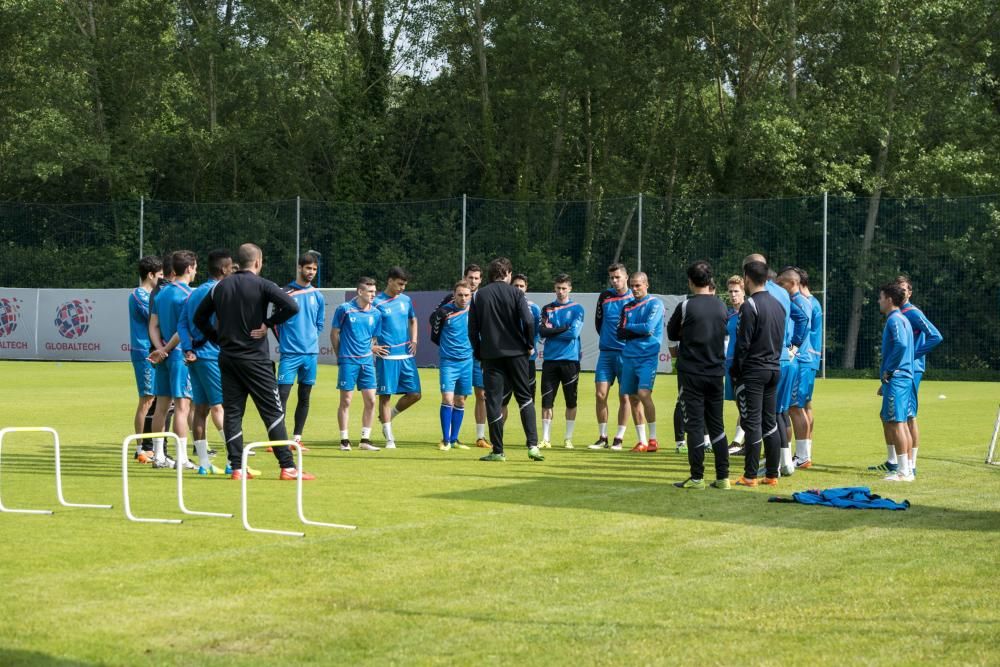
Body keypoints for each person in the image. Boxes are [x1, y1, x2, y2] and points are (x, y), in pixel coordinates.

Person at [193, 243, 313, 481]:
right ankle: (287, 467)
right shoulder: (263, 284)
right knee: (273, 411)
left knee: (233, 413)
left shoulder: (219, 287)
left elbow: (199, 318)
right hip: (256, 361)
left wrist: (218, 338)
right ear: (258, 262)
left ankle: (237, 467)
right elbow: (292, 306)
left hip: (227, 359)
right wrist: (268, 323)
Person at [468, 257, 541, 462]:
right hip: (517, 354)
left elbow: (472, 329)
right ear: (508, 274)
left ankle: (498, 451)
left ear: (490, 275)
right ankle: (533, 446)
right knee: (524, 397)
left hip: (491, 355)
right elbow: (528, 321)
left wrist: (478, 351)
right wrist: (528, 344)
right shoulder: (517, 293)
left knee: (494, 401)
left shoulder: (479, 296)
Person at [869, 275, 943, 476]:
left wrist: (902, 362)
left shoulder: (907, 315)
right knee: (891, 418)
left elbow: (933, 337)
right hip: (899, 373)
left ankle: (908, 467)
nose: (879, 300)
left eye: (903, 289)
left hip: (905, 372)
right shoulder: (899, 316)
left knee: (904, 418)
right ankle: (897, 463)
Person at [668, 260, 730, 489]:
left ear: (690, 282)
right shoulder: (722, 306)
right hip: (716, 374)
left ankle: (697, 478)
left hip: (691, 374)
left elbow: (672, 333)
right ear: (710, 281)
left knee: (694, 426)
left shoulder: (686, 306)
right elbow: (725, 339)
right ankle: (723, 478)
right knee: (717, 426)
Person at [177, 249, 233, 475]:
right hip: (212, 355)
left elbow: (181, 324)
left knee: (200, 409)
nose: (233, 272)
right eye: (231, 269)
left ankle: (203, 463)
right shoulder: (218, 292)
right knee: (221, 407)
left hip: (195, 357)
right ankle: (234, 460)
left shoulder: (193, 292)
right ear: (223, 270)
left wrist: (188, 348)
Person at [731, 260, 785, 487]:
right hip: (774, 368)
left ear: (747, 279)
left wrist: (736, 370)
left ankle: (750, 475)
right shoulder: (779, 304)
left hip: (754, 370)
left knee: (752, 423)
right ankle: (772, 474)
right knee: (769, 422)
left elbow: (743, 343)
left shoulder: (750, 305)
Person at [148, 251, 198, 470]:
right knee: (182, 406)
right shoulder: (188, 294)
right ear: (188, 268)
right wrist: (167, 349)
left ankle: (158, 455)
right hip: (178, 355)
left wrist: (159, 349)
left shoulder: (161, 294)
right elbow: (183, 328)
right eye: (195, 267)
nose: (196, 272)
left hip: (164, 355)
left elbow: (153, 325)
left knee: (161, 406)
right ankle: (182, 457)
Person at [747, 253, 795, 476]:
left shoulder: (756, 300)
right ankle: (783, 463)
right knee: (778, 414)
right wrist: (793, 345)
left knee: (758, 419)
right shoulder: (783, 295)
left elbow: (746, 340)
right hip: (780, 359)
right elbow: (797, 319)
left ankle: (758, 470)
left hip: (760, 363)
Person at [274, 252, 325, 449]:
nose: (311, 272)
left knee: (305, 397)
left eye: (314, 269)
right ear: (299, 268)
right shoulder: (285, 293)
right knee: (282, 395)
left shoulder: (318, 296)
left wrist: (310, 338)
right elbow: (275, 323)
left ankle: (296, 438)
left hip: (310, 355)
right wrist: (288, 341)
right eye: (308, 268)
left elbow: (319, 324)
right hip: (290, 354)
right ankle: (278, 439)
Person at [331, 277, 386, 451]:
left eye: (374, 291)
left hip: (367, 363)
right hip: (348, 361)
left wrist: (371, 348)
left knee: (371, 401)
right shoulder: (344, 309)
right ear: (360, 292)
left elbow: (372, 337)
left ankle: (365, 440)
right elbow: (334, 334)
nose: (373, 295)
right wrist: (340, 356)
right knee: (346, 401)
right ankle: (344, 440)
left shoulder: (376, 313)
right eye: (369, 291)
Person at [439, 264, 489, 447]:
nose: (473, 281)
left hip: (472, 358)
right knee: (448, 398)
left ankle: (468, 437)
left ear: (481, 280)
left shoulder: (482, 302)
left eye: (477, 278)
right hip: (451, 359)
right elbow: (435, 328)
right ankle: (446, 439)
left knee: (471, 397)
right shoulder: (447, 306)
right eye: (471, 277)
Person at [374, 267, 422, 449]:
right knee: (385, 397)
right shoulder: (377, 302)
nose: (402, 288)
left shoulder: (406, 300)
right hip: (386, 357)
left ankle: (389, 416)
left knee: (415, 394)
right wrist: (372, 346)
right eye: (400, 284)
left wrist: (414, 340)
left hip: (405, 355)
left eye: (404, 285)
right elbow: (368, 324)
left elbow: (413, 319)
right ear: (390, 281)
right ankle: (389, 439)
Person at [589, 263, 635, 451]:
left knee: (624, 397)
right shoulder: (605, 296)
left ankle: (619, 438)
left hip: (626, 354)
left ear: (626, 277)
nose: (615, 281)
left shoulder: (634, 297)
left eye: (618, 277)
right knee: (600, 394)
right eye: (612, 278)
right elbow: (598, 322)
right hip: (606, 353)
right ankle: (602, 437)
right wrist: (608, 340)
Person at [616, 272, 664, 453]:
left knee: (644, 394)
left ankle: (653, 439)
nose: (635, 289)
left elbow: (649, 328)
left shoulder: (655, 303)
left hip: (647, 356)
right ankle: (642, 441)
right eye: (633, 285)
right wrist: (637, 330)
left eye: (638, 285)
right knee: (633, 398)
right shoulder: (627, 307)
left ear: (646, 284)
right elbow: (619, 332)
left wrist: (630, 328)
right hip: (628, 356)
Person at [538, 273, 585, 449]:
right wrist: (563, 328)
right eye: (558, 288)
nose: (560, 291)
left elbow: (573, 333)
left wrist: (554, 330)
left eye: (564, 288)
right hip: (550, 360)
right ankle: (545, 438)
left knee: (571, 401)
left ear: (570, 289)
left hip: (570, 361)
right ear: (554, 288)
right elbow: (542, 331)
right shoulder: (547, 309)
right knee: (546, 401)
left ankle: (568, 438)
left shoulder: (577, 309)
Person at [876, 282, 916, 482]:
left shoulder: (895, 320)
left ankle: (903, 472)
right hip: (900, 378)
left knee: (897, 423)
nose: (879, 301)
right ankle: (906, 468)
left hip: (898, 377)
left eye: (881, 297)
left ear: (889, 299)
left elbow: (900, 345)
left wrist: (889, 371)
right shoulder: (901, 318)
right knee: (898, 422)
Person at [776, 267, 814, 470]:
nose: (779, 288)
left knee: (795, 407)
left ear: (792, 284)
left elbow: (804, 324)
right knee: (798, 407)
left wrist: (793, 347)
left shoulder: (798, 302)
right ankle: (797, 453)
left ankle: (802, 456)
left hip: (799, 360)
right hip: (801, 360)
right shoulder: (799, 301)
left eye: (781, 284)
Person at [430, 281, 474, 450]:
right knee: (447, 398)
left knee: (461, 400)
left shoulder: (475, 311)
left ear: (470, 295)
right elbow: (435, 336)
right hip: (448, 362)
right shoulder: (444, 312)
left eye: (466, 295)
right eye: (460, 295)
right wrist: (448, 349)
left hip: (467, 362)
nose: (463, 298)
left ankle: (454, 439)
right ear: (454, 295)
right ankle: (446, 440)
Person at [127, 256, 163, 463]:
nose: (161, 279)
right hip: (143, 351)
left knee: (155, 398)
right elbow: (152, 317)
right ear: (150, 275)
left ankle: (148, 446)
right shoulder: (139, 294)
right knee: (146, 399)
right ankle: (140, 448)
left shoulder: (151, 295)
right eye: (159, 275)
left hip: (153, 350)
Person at [791, 268, 822, 467]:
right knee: (806, 405)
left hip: (803, 358)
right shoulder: (814, 302)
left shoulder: (806, 303)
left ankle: (802, 455)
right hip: (811, 358)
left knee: (796, 406)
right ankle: (805, 452)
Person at [725, 275, 747, 452]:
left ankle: (739, 441)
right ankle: (741, 441)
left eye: (736, 291)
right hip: (729, 363)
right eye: (730, 291)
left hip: (745, 364)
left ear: (744, 292)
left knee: (746, 402)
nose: (733, 295)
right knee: (740, 403)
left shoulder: (749, 311)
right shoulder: (729, 315)